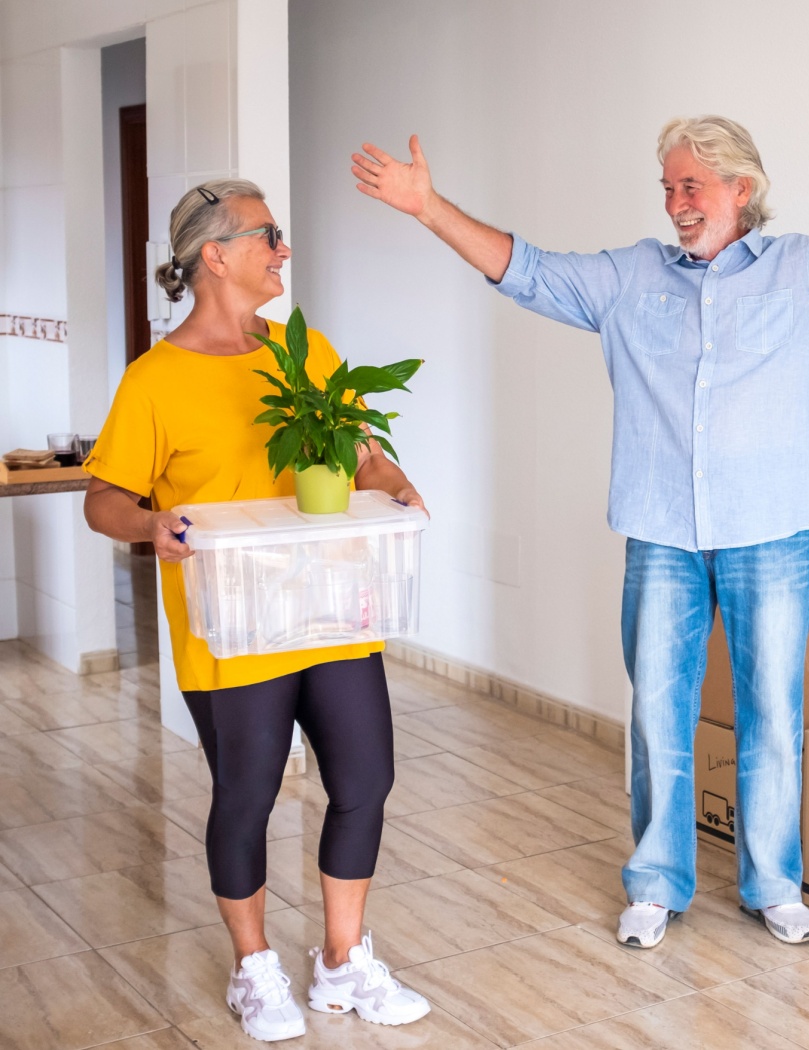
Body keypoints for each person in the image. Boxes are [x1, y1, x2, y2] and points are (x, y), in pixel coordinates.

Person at [353, 114, 809, 949]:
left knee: (771, 717)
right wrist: (430, 207)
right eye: (668, 188)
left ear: (739, 188)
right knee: (659, 715)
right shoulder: (631, 278)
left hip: (772, 536)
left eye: (691, 185)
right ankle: (654, 883)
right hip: (662, 536)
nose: (676, 203)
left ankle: (774, 884)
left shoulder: (806, 274)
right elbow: (526, 270)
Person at [82, 179, 432, 1042]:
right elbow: (103, 501)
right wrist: (152, 523)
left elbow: (357, 451)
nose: (283, 249)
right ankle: (254, 969)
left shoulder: (301, 353)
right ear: (216, 255)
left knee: (364, 782)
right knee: (246, 794)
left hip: (330, 605)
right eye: (268, 234)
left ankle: (344, 962)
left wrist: (392, 483)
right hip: (231, 620)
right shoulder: (155, 380)